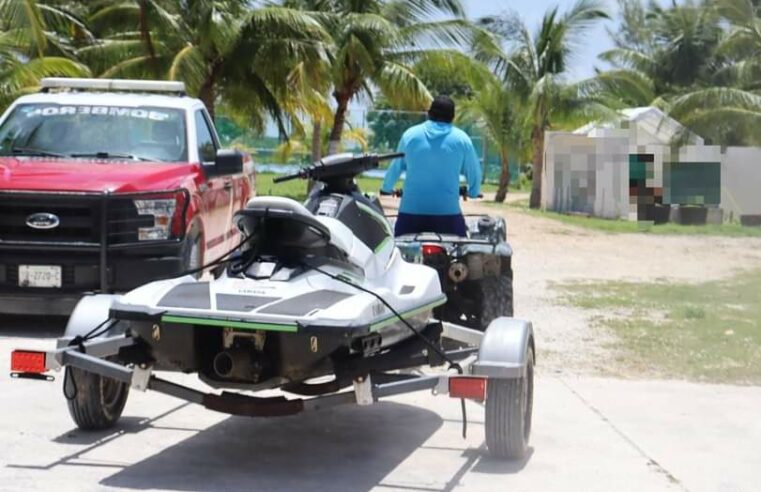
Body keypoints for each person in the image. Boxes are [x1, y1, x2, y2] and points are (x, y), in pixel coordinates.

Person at [380, 95, 481, 237]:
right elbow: (474, 172)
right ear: (452, 117)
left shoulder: (410, 135)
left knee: (397, 251)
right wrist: (473, 192)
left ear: (429, 114)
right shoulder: (462, 139)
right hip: (448, 215)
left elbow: (395, 167)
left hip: (410, 214)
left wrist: (386, 188)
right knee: (460, 253)